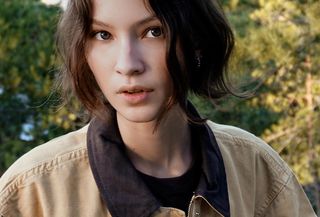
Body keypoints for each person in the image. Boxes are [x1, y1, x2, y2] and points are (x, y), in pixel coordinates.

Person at [0, 0, 317, 216]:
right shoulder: (31, 192)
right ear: (83, 51)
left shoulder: (258, 170)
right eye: (103, 35)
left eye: (154, 31)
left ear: (195, 41)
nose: (128, 65)